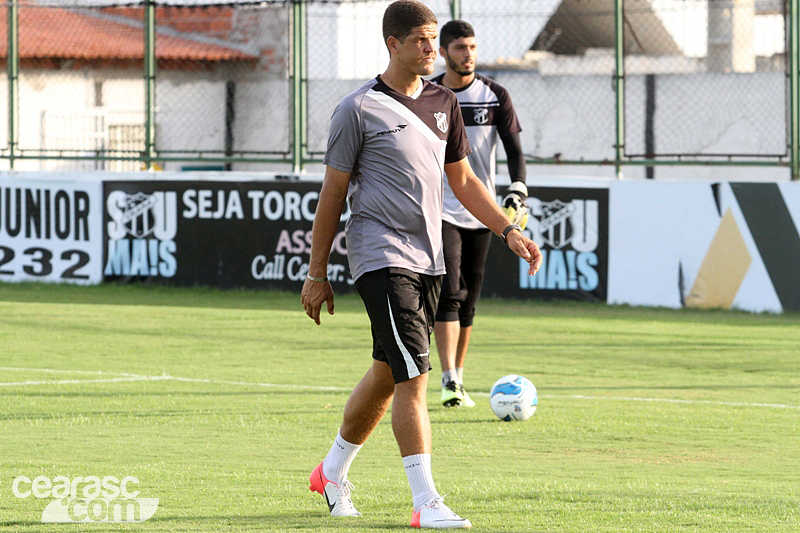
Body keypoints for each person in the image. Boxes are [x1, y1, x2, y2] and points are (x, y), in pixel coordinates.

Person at [300, 1, 542, 529]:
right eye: (421, 41)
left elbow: (465, 182)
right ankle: (426, 501)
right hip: (379, 257)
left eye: (435, 40)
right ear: (393, 44)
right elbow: (332, 195)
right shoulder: (357, 109)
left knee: (390, 373)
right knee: (415, 376)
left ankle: (332, 471)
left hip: (431, 257)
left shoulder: (442, 103)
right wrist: (317, 274)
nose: (432, 50)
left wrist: (509, 229)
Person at [430, 20, 530, 408]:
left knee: (469, 297)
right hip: (441, 208)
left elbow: (515, 152)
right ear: (443, 52)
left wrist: (517, 191)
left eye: (472, 47)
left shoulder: (495, 95)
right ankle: (448, 379)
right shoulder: (431, 95)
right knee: (451, 293)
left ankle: (459, 377)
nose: (467, 54)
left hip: (482, 208)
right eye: (459, 47)